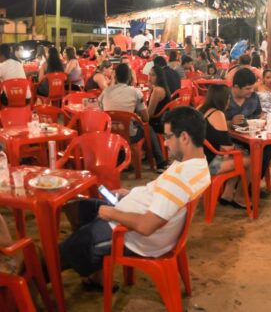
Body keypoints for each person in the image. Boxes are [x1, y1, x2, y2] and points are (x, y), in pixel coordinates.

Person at [59, 107, 211, 289]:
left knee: (58, 256)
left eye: (168, 137)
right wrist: (131, 194)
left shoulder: (179, 178)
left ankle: (77, 256)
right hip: (140, 219)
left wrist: (112, 214)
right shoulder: (197, 165)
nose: (165, 143)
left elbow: (146, 226)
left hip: (134, 236)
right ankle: (94, 267)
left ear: (184, 137)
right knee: (78, 207)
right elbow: (160, 193)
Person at [199, 84, 250, 208]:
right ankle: (239, 197)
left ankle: (227, 194)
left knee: (239, 155)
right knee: (251, 160)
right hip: (210, 165)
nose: (229, 101)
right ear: (223, 99)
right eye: (228, 98)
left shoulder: (201, 109)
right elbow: (227, 148)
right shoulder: (217, 114)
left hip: (198, 160)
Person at [98, 63, 149, 146]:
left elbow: (101, 112)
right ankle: (148, 156)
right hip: (129, 135)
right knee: (147, 128)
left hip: (109, 134)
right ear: (129, 77)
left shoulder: (106, 91)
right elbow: (146, 118)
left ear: (115, 77)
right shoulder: (136, 92)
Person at [146, 66, 171, 170]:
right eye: (149, 74)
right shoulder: (163, 88)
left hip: (157, 123)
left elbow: (149, 114)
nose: (149, 77)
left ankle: (159, 160)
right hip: (164, 120)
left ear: (159, 77)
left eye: (153, 75)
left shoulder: (157, 90)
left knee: (144, 125)